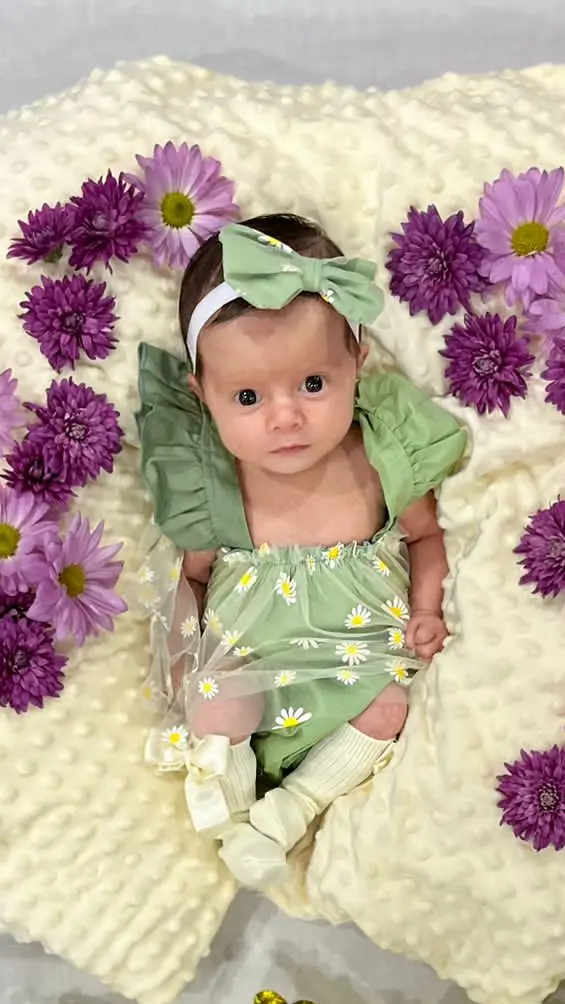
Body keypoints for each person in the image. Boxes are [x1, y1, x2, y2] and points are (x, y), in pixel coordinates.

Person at [137, 215, 467, 888]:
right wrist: (180, 654)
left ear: (356, 363)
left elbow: (425, 537)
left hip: (358, 672)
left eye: (313, 385)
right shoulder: (210, 482)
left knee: (389, 707)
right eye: (248, 397)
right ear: (204, 397)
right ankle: (232, 809)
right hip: (251, 677)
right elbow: (191, 581)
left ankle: (295, 808)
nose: (285, 417)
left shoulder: (382, 452)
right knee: (221, 700)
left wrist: (427, 608)